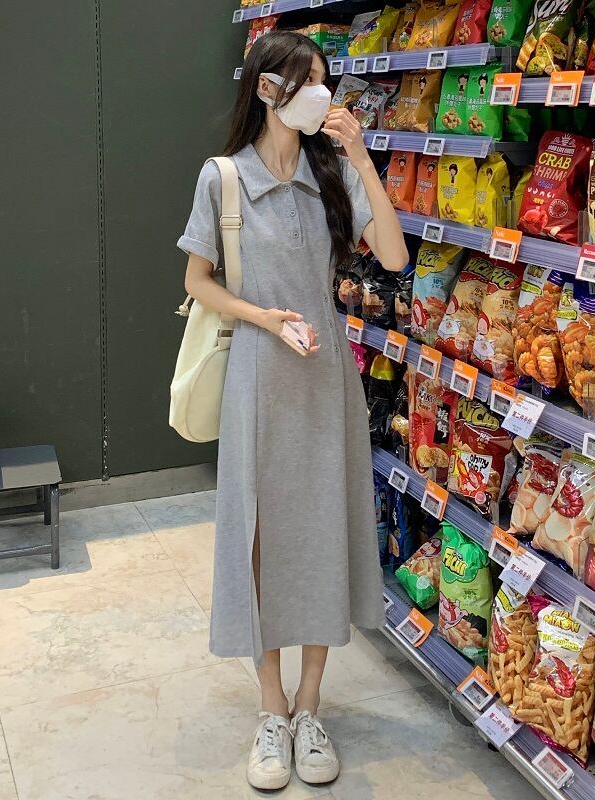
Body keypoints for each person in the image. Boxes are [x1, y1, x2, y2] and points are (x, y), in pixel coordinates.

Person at [177, 30, 407, 792]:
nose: (320, 93)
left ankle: (311, 707)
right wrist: (264, 318)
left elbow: (394, 258)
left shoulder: (330, 173)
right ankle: (270, 709)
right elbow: (198, 281)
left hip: (324, 379)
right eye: (306, 80)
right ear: (267, 88)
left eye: (324, 79)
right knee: (261, 538)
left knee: (321, 532)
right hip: (258, 374)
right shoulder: (223, 178)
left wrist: (362, 159)